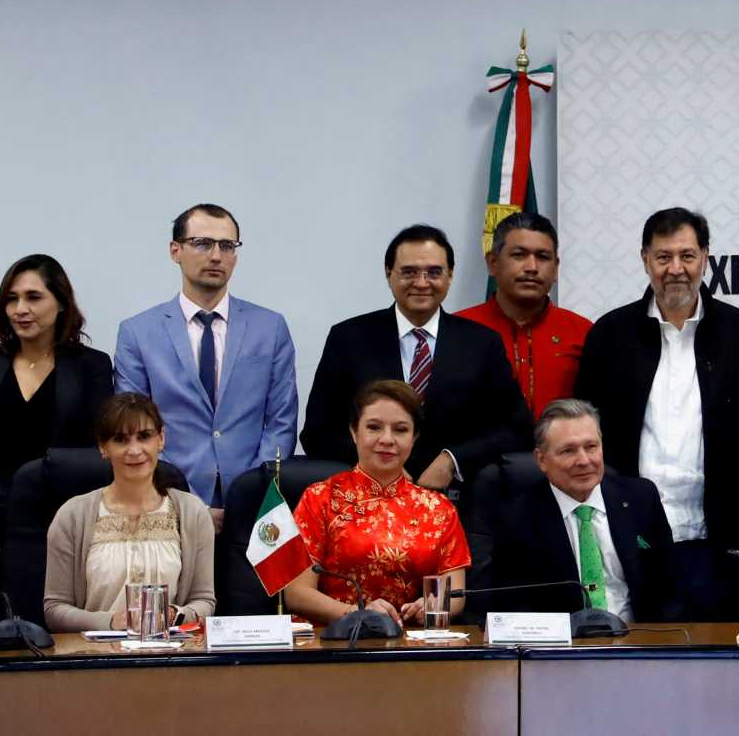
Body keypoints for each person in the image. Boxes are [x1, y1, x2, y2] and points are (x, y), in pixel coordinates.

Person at [575, 207, 739, 619]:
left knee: (705, 663)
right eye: (663, 257)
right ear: (645, 259)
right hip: (627, 536)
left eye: (687, 255)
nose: (675, 269)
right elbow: (585, 430)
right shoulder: (609, 335)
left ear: (705, 257)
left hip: (712, 538)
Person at [301, 224, 533, 494]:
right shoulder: (348, 338)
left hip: (458, 500)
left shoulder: (482, 343)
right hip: (366, 501)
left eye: (434, 272)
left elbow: (516, 428)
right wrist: (378, 464)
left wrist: (453, 460)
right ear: (389, 275)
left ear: (449, 276)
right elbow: (317, 432)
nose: (422, 283)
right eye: (409, 272)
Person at [114, 203, 297, 532]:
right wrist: (186, 502)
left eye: (227, 246)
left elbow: (281, 422)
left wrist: (250, 494)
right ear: (175, 250)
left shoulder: (270, 328)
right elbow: (134, 429)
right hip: (166, 505)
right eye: (202, 243)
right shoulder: (138, 332)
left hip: (255, 508)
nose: (216, 256)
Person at [285, 380, 469, 627]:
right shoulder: (320, 498)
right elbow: (296, 595)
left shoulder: (438, 509)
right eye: (374, 427)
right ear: (354, 431)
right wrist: (359, 614)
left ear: (414, 438)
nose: (387, 439)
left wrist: (431, 606)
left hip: (411, 646)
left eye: (400, 430)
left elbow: (455, 595)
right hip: (335, 643)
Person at [484, 398, 678, 621]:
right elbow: (514, 608)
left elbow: (671, 591)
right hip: (564, 649)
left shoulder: (641, 499)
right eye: (568, 451)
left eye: (591, 447)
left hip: (639, 642)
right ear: (541, 459)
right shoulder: (518, 518)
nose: (584, 460)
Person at [43, 393, 215, 631]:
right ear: (103, 447)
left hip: (170, 656)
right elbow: (54, 609)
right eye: (121, 439)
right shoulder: (72, 516)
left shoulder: (192, 512)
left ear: (161, 439)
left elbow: (205, 601)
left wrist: (176, 615)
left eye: (144, 437)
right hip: (94, 658)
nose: (135, 450)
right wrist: (112, 622)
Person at [456, 212, 593, 418]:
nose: (532, 267)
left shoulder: (583, 332)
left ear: (556, 269)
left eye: (543, 257)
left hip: (561, 449)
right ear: (493, 263)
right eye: (519, 255)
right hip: (482, 450)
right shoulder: (458, 329)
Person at [0, 254, 112, 480]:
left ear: (62, 303)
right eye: (11, 299)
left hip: (63, 503)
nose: (20, 309)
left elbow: (101, 449)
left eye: (33, 297)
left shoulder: (92, 366)